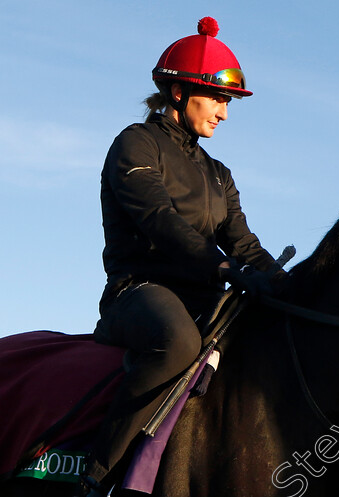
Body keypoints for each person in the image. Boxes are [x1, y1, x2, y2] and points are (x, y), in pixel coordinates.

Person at [76, 17, 283, 496]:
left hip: (204, 301)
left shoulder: (218, 172)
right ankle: (96, 478)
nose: (224, 114)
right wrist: (226, 268)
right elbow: (161, 222)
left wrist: (290, 284)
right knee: (178, 342)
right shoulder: (135, 143)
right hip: (140, 294)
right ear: (178, 92)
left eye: (227, 102)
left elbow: (245, 245)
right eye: (217, 99)